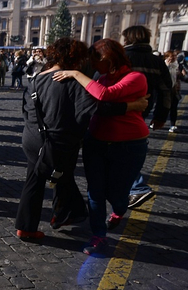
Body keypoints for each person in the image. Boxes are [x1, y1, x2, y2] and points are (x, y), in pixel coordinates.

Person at [53, 38, 149, 255]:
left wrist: (76, 74)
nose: (92, 66)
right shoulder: (100, 77)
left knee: (118, 193)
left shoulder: (136, 78)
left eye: (95, 61)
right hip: (95, 141)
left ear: (107, 59)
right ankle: (98, 235)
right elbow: (96, 104)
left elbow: (105, 96)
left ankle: (118, 211)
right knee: (95, 191)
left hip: (129, 144)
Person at [15, 38, 93, 240]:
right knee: (53, 176)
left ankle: (59, 215)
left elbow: (26, 110)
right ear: (76, 58)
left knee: (44, 177)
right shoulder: (72, 81)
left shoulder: (36, 78)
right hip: (56, 142)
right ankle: (57, 216)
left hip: (31, 138)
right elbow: (87, 113)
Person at [123, 26, 171, 208]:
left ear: (127, 39)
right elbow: (166, 90)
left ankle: (137, 187)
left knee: (118, 149)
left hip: (118, 109)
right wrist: (161, 116)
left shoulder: (122, 58)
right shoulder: (156, 61)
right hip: (143, 110)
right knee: (132, 145)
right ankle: (132, 187)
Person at [164, 51, 183, 133]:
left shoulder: (177, 66)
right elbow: (162, 75)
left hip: (175, 89)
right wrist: (167, 67)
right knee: (163, 107)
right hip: (165, 90)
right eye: (171, 56)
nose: (173, 58)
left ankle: (172, 124)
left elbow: (181, 77)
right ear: (167, 57)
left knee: (174, 107)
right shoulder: (163, 65)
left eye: (174, 56)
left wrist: (182, 74)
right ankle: (157, 121)